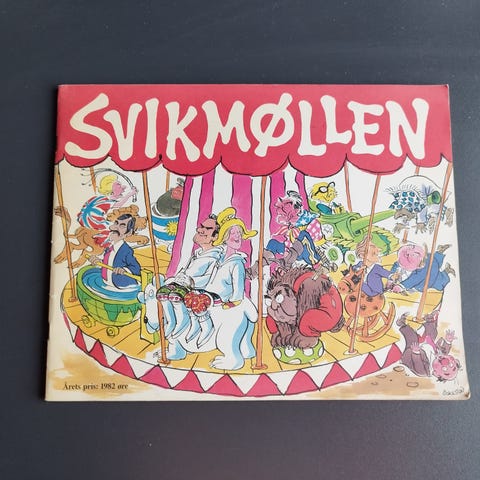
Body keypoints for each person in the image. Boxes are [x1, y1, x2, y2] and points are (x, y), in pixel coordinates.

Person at [156, 214, 224, 347]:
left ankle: (187, 322)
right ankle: (172, 321)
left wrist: (191, 281)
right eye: (201, 226)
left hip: (198, 288)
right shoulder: (197, 254)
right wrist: (179, 277)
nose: (201, 230)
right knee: (162, 293)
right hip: (184, 284)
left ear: (215, 237)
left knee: (176, 296)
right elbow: (186, 271)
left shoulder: (214, 256)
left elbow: (209, 278)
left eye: (207, 229)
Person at [207, 207, 257, 306]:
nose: (237, 236)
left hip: (223, 305)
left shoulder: (237, 263)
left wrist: (231, 304)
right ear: (224, 237)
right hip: (208, 300)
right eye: (233, 233)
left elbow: (238, 292)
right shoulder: (218, 258)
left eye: (239, 232)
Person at [89, 213, 141, 289]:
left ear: (129, 232)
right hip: (106, 285)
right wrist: (98, 262)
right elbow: (108, 264)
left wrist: (124, 270)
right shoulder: (109, 248)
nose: (116, 228)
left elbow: (136, 268)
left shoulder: (126, 250)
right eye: (116, 223)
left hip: (122, 288)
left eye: (122, 226)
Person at [390, 243, 455, 293]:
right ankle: (440, 252)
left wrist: (401, 286)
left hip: (430, 275)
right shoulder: (404, 260)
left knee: (439, 282)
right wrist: (392, 275)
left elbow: (413, 280)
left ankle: (446, 271)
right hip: (431, 261)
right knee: (434, 259)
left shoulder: (419, 272)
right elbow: (397, 264)